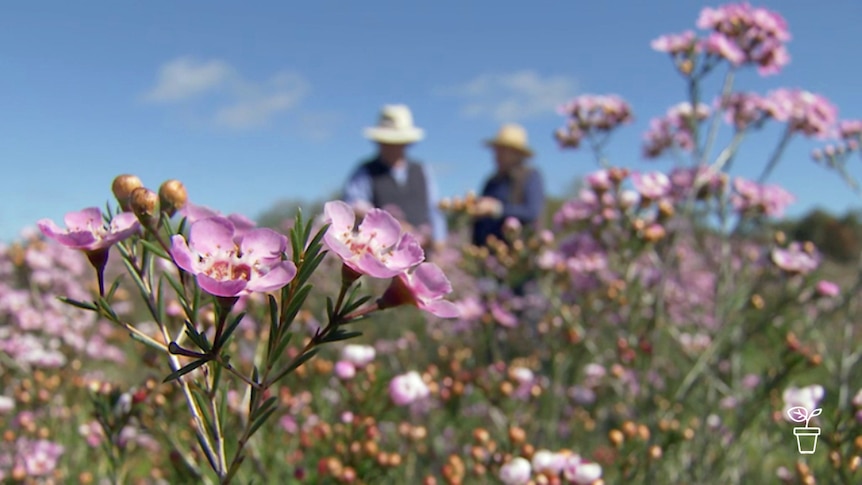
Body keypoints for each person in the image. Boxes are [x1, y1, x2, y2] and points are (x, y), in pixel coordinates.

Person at [343, 104, 447, 252]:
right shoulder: (365, 171)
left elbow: (434, 209)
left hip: (418, 251)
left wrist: (439, 239)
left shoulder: (422, 170)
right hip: (379, 253)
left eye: (397, 143)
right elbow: (353, 203)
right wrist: (390, 223)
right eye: (388, 142)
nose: (392, 147)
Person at [472, 123, 545, 247]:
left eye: (503, 150)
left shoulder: (530, 176)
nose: (497, 155)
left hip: (516, 255)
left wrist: (496, 209)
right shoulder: (491, 182)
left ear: (517, 154)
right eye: (497, 150)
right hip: (487, 255)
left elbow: (532, 212)